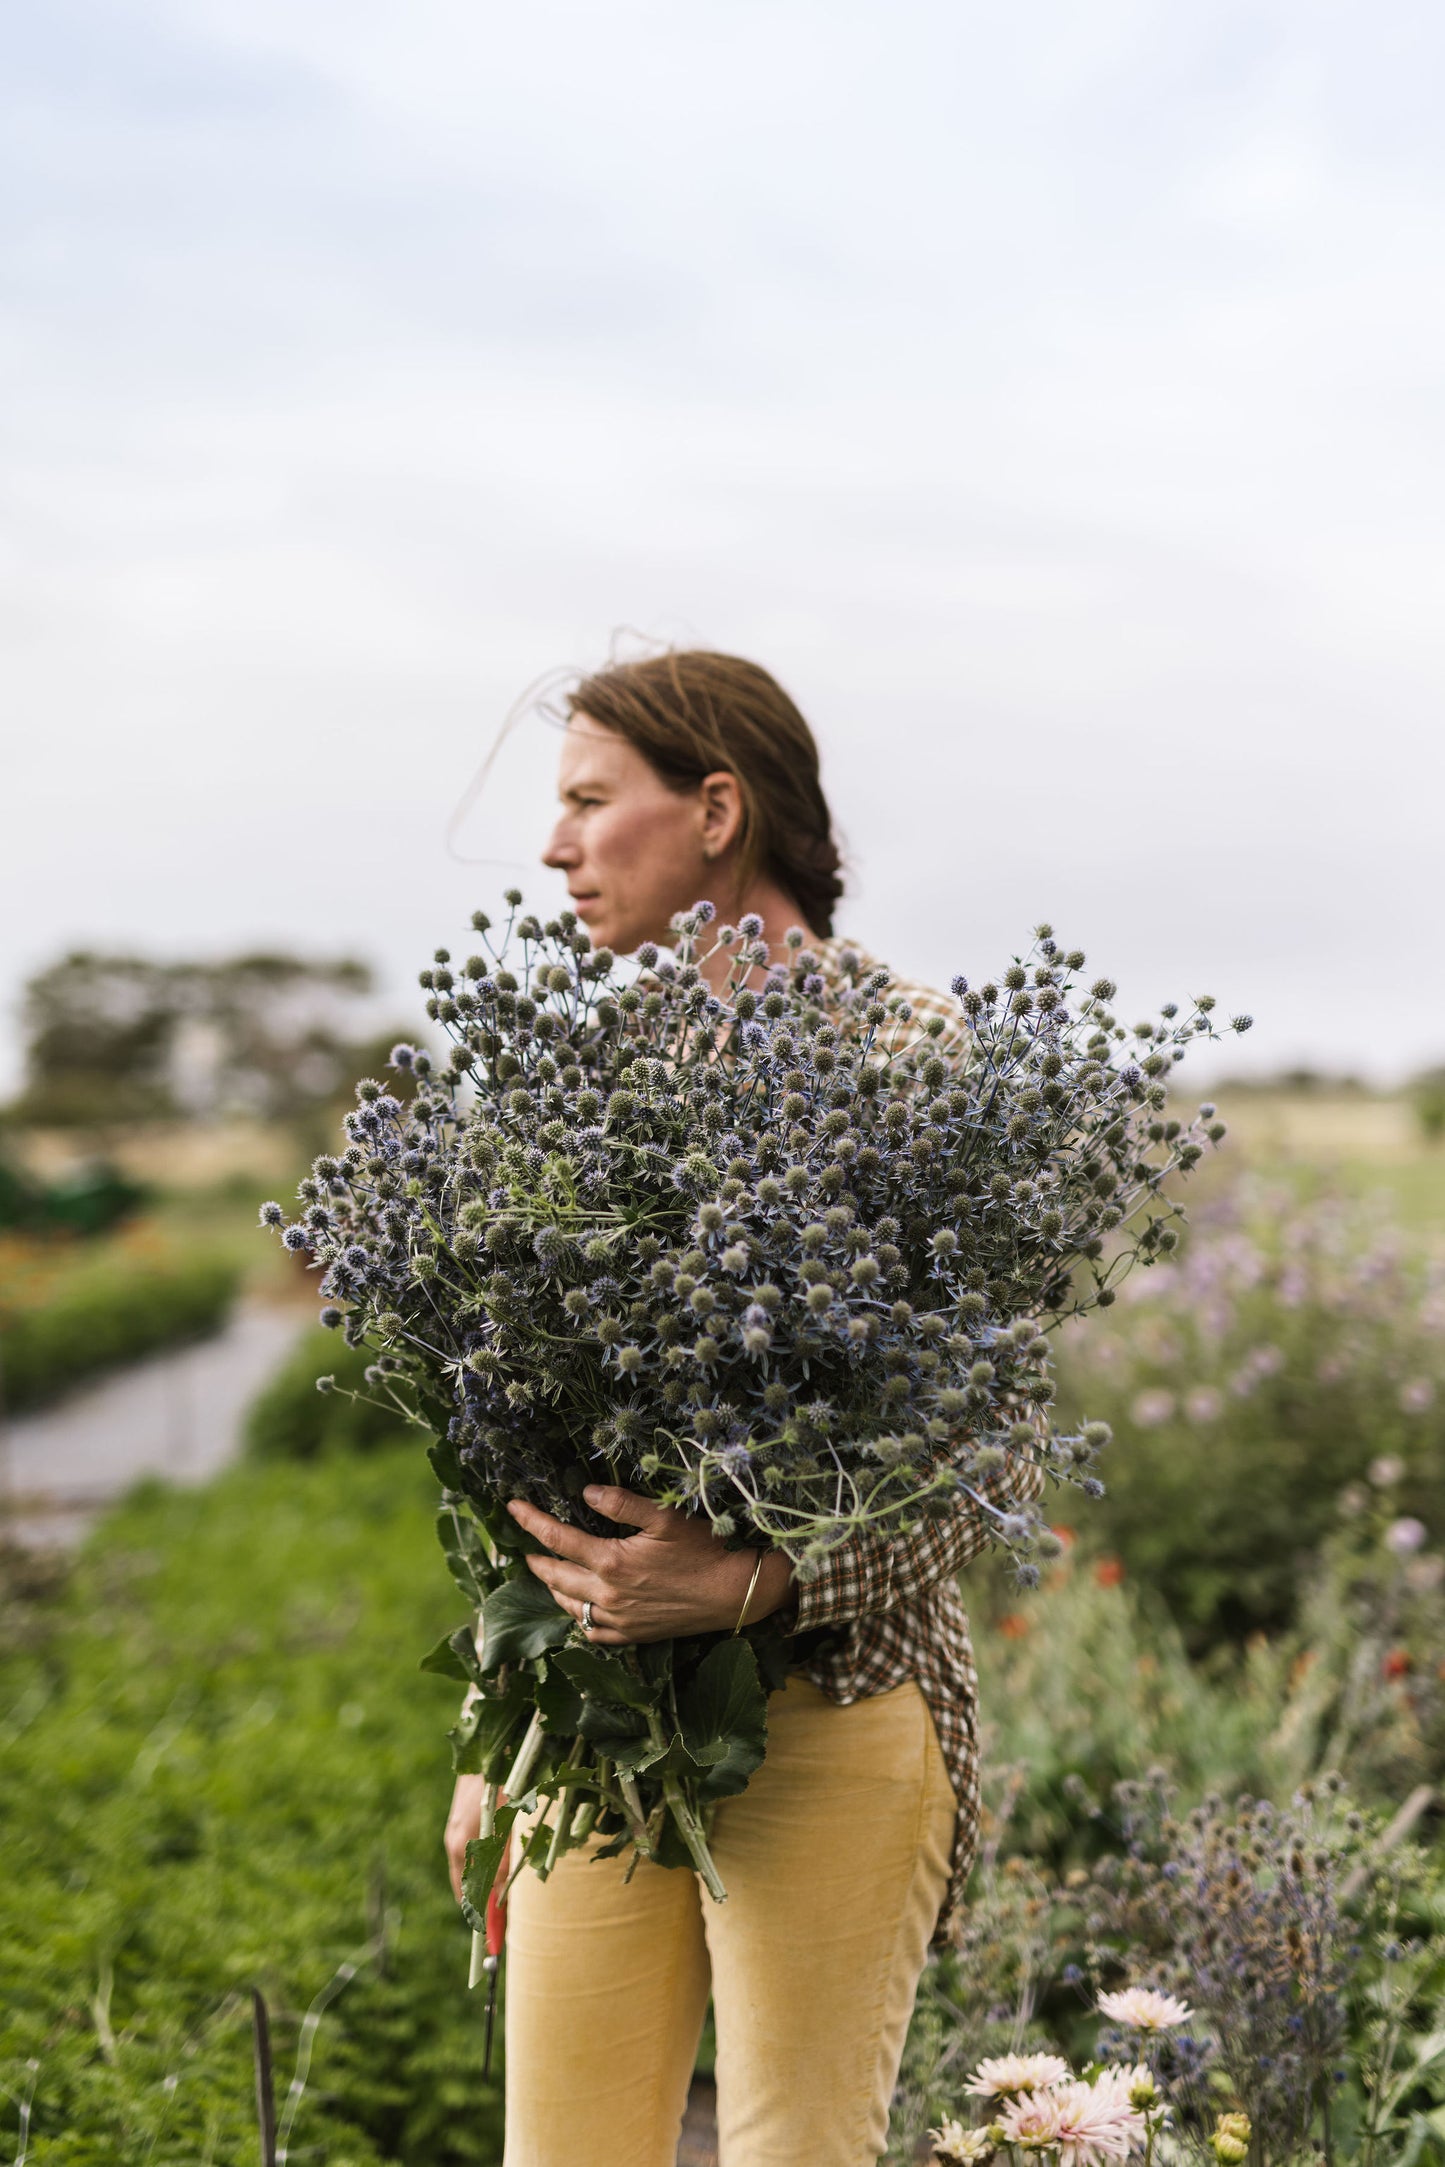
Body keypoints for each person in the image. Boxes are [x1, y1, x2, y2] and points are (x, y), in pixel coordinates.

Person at [443, 649, 1040, 2167]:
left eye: (589, 801)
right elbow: (522, 1445)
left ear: (718, 810)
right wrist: (495, 1727)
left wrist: (750, 1578)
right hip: (590, 1723)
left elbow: (988, 1444)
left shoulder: (905, 1055)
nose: (554, 847)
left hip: (833, 1704)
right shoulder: (587, 1076)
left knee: (794, 2152)